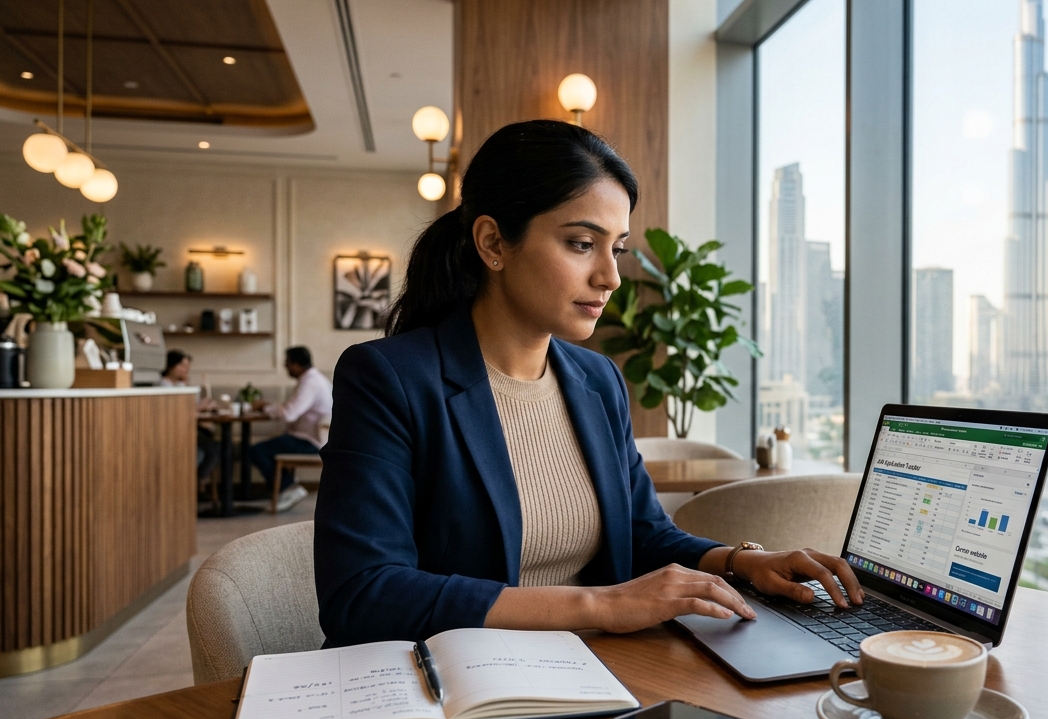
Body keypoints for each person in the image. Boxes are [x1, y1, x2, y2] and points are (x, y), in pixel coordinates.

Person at [314, 120, 862, 649]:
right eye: (581, 243)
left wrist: (744, 561)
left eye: (617, 248)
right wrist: (601, 606)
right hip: (447, 687)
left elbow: (645, 534)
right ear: (493, 243)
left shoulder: (597, 380)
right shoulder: (388, 378)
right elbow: (363, 593)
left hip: (584, 674)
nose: (611, 276)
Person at [249, 346, 332, 512]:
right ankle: (286, 488)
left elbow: (289, 414)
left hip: (311, 441)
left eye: (286, 362)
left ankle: (289, 489)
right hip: (312, 437)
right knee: (265, 448)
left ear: (296, 364)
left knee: (256, 451)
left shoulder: (310, 383)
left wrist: (265, 406)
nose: (285, 366)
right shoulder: (314, 378)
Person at [160, 349, 217, 480]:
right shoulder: (162, 386)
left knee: (213, 446)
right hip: (174, 431)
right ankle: (193, 485)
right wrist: (199, 407)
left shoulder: (180, 385)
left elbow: (191, 405)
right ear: (170, 366)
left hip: (189, 427)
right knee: (212, 449)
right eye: (182, 366)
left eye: (188, 367)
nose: (186, 369)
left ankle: (194, 485)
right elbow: (176, 411)